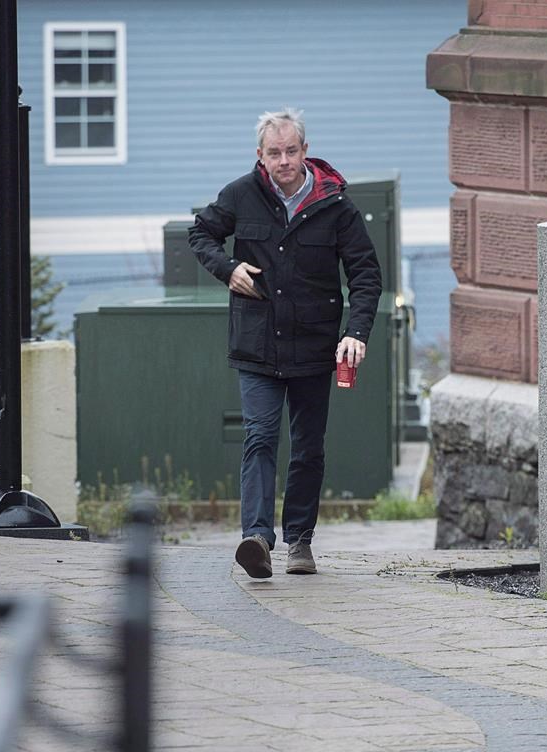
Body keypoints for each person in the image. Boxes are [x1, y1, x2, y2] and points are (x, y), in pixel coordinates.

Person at [189, 108, 382, 578]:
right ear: (260, 155)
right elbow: (201, 233)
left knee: (308, 446)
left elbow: (366, 275)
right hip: (258, 346)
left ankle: (300, 542)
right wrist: (227, 268)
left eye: (291, 151)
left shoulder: (335, 205)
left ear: (305, 151)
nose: (283, 161)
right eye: (274, 153)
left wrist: (355, 333)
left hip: (315, 347)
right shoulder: (240, 195)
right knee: (259, 436)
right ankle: (256, 537)